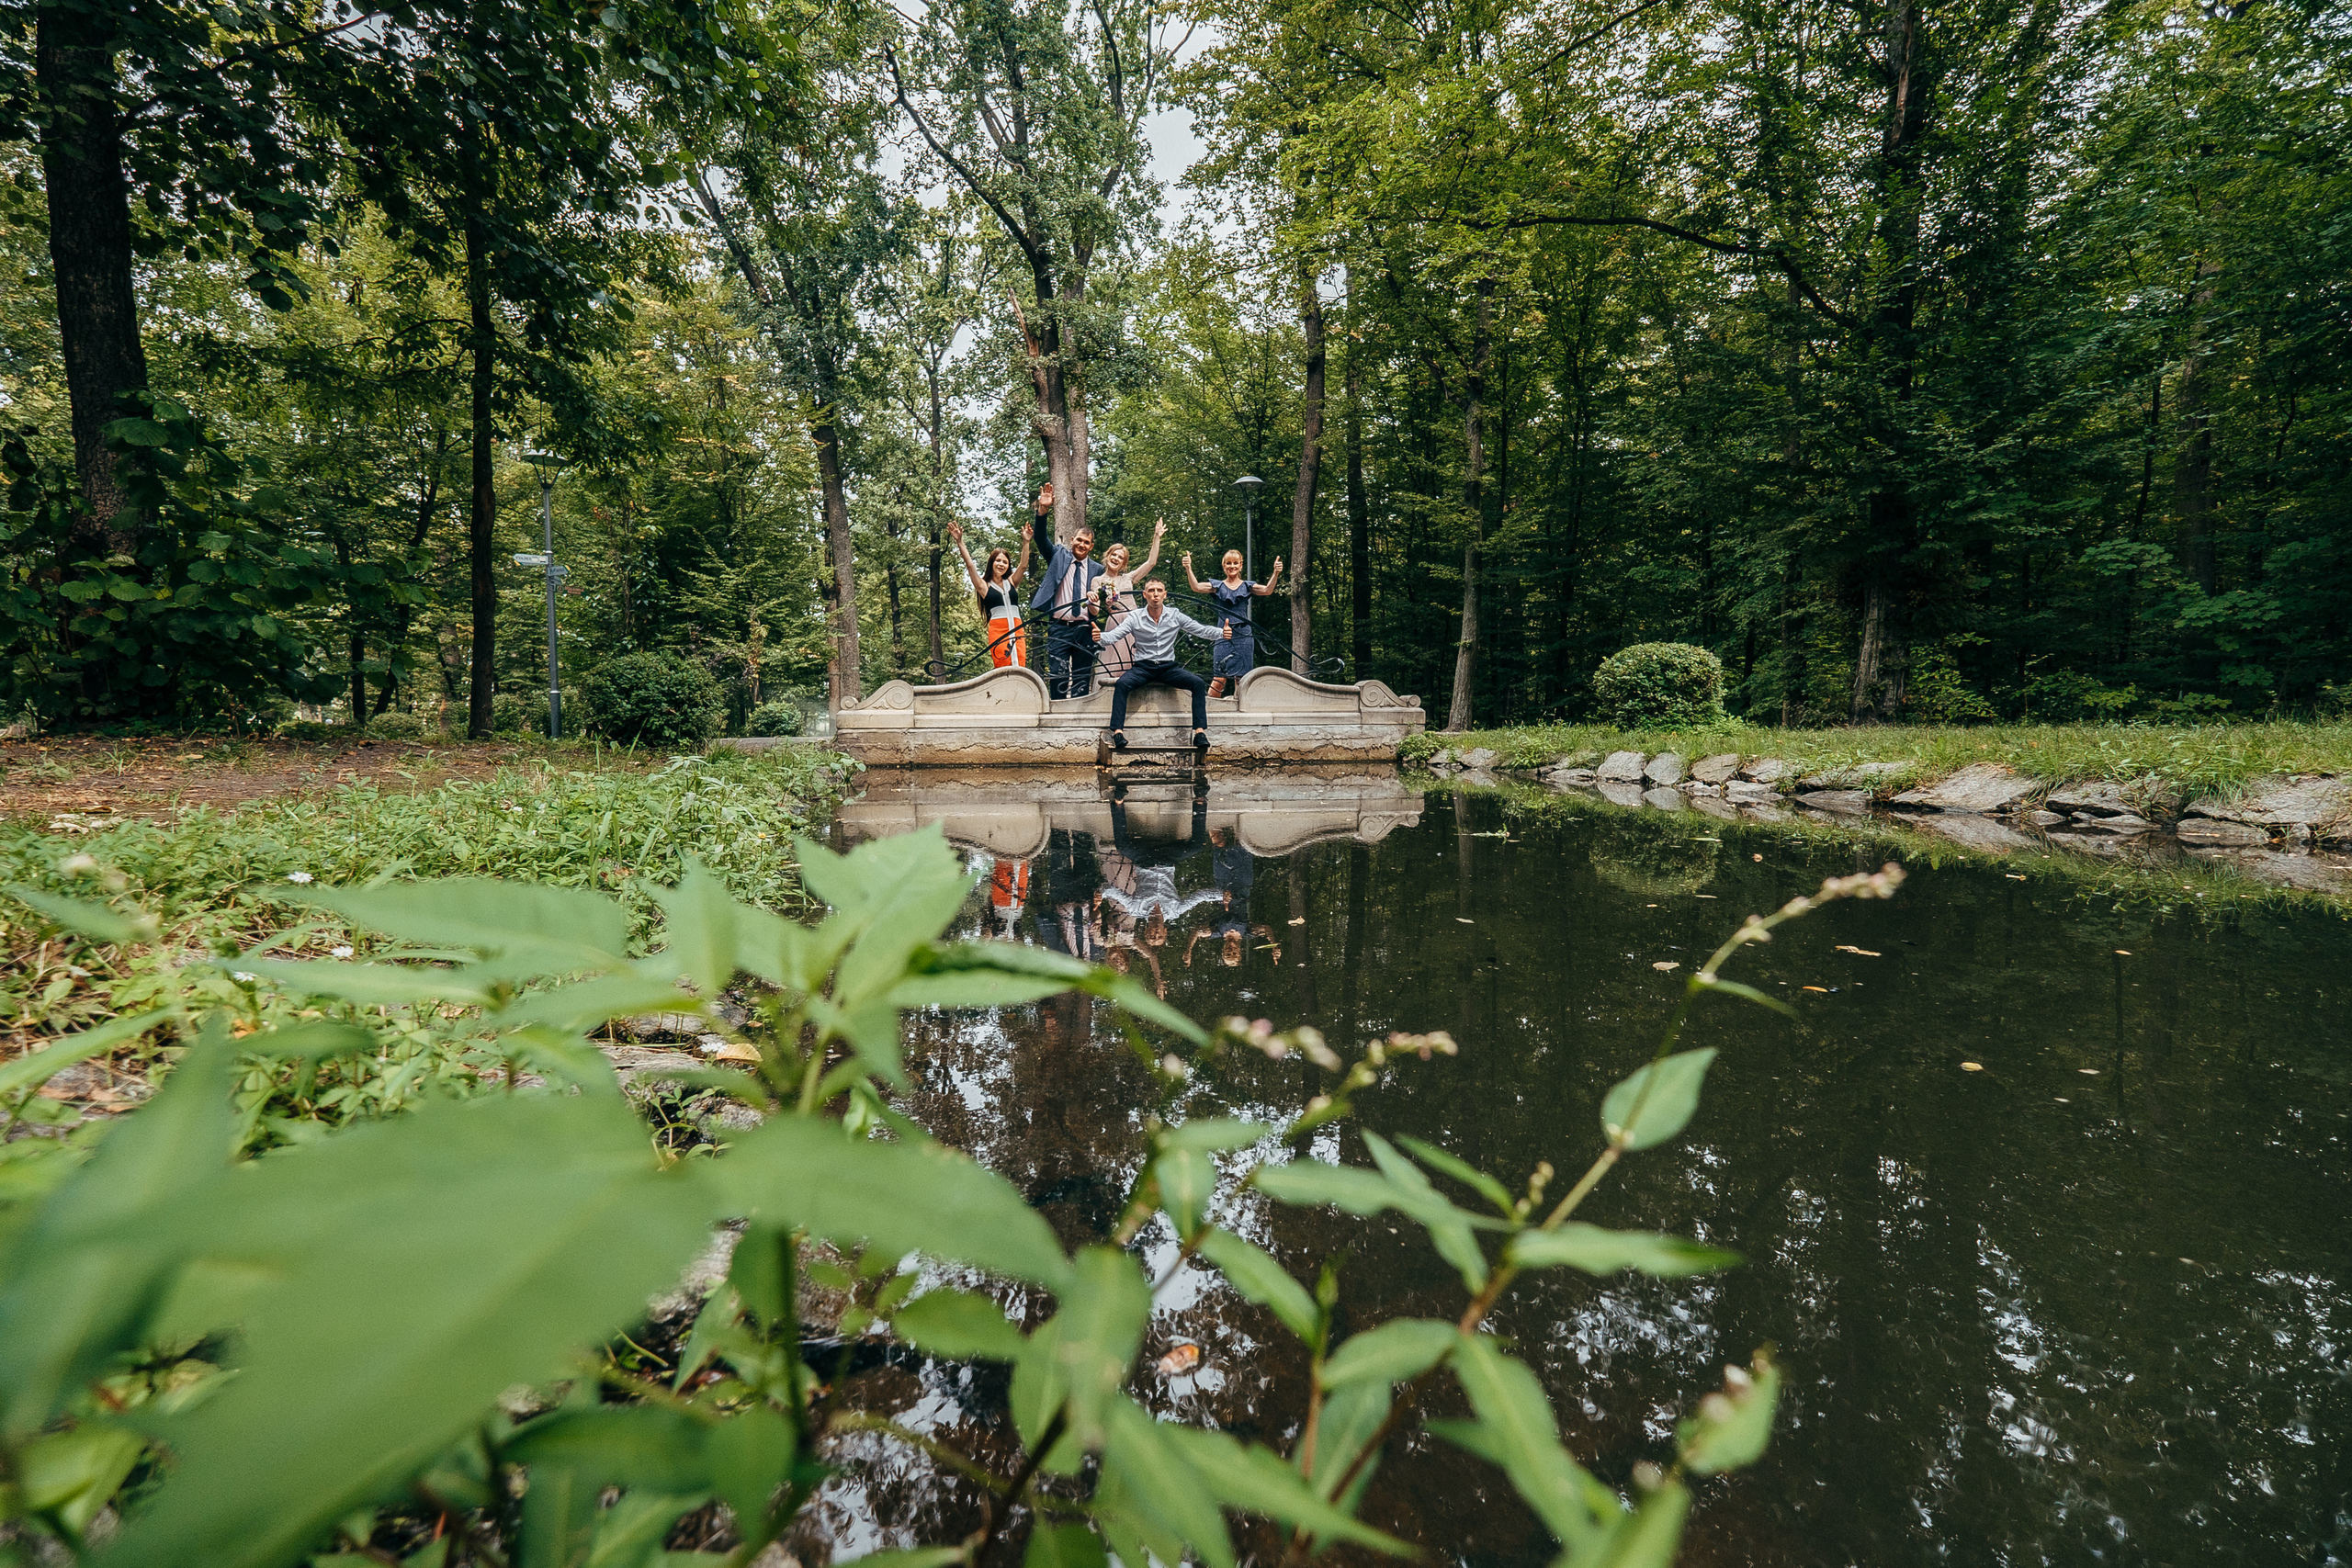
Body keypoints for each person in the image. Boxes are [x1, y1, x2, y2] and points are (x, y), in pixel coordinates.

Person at [1095, 578, 1230, 750]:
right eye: (1151, 590)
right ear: (1145, 595)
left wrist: (1221, 633)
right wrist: (1101, 637)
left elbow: (1200, 629)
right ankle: (1118, 733)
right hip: (1143, 667)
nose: (1155, 594)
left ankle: (1199, 732)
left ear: (1164, 594)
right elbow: (1115, 635)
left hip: (1168, 667)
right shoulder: (1135, 617)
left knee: (1196, 683)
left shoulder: (1174, 615)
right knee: (1122, 684)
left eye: (1159, 590)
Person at [1029, 484, 1105, 698]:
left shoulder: (1098, 569)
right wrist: (1043, 511)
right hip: (1059, 627)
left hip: (1084, 627)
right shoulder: (1058, 556)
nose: (1081, 544)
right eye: (1079, 540)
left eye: (1086, 542)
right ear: (1072, 540)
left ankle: (1079, 721)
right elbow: (1041, 539)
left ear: (1091, 547)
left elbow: (1105, 596)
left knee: (1082, 676)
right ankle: (1057, 718)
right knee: (1058, 674)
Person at [1182, 548, 1284, 698]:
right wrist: (1188, 568)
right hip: (1223, 634)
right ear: (1224, 566)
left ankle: (1240, 716)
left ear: (1241, 565)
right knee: (1219, 678)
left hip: (1243, 635)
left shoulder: (1247, 586)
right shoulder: (1218, 586)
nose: (1232, 566)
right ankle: (1208, 711)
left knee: (1242, 679)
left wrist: (1276, 573)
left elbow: (1267, 590)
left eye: (1235, 563)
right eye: (1228, 563)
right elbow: (1196, 587)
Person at [946, 518, 1033, 671]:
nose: (1001, 564)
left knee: (1020, 668)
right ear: (992, 563)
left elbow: (1024, 565)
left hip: (1017, 629)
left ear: (1008, 566)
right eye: (998, 561)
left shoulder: (1012, 582)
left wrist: (1026, 542)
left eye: (1005, 562)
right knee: (1003, 668)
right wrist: (960, 542)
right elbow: (970, 565)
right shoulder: (984, 586)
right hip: (998, 630)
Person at [1088, 519, 1166, 685]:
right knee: (1115, 666)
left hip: (1134, 621)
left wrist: (1157, 537)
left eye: (1120, 557)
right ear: (1107, 556)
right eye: (1114, 555)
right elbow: (1094, 611)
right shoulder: (1097, 580)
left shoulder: (1128, 578)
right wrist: (1092, 599)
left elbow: (1151, 562)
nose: (1116, 558)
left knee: (1138, 662)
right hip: (1115, 622)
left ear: (1124, 563)